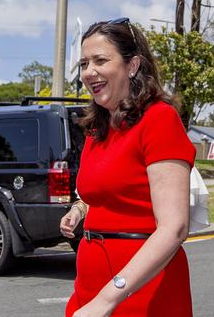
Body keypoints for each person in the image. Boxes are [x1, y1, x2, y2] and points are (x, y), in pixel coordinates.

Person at [59, 18, 195, 317]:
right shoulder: (98, 128)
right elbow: (112, 192)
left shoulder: (160, 120)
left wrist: (107, 299)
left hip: (143, 289)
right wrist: (80, 209)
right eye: (83, 63)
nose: (88, 72)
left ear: (132, 66)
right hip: (89, 285)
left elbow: (174, 228)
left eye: (100, 60)